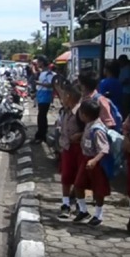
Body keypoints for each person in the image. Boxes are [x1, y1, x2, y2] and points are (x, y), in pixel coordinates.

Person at [72, 99, 111, 226]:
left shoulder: (98, 130)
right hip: (85, 160)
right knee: (78, 185)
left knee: (98, 190)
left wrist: (94, 160)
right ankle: (83, 210)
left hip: (96, 164)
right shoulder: (89, 125)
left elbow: (104, 149)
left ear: (85, 115)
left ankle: (98, 215)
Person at [56, 83, 83, 219]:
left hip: (78, 149)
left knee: (79, 179)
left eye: (64, 95)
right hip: (66, 148)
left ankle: (80, 205)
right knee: (66, 177)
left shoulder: (81, 112)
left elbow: (89, 128)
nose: (62, 97)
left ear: (69, 96)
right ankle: (65, 204)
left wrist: (80, 135)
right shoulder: (65, 110)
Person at [32, 56, 55, 144]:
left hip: (45, 96)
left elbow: (50, 84)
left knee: (41, 117)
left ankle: (41, 135)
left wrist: (38, 83)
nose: (37, 64)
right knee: (41, 116)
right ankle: (41, 135)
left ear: (42, 62)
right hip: (41, 96)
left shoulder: (49, 73)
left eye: (38, 62)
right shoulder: (43, 73)